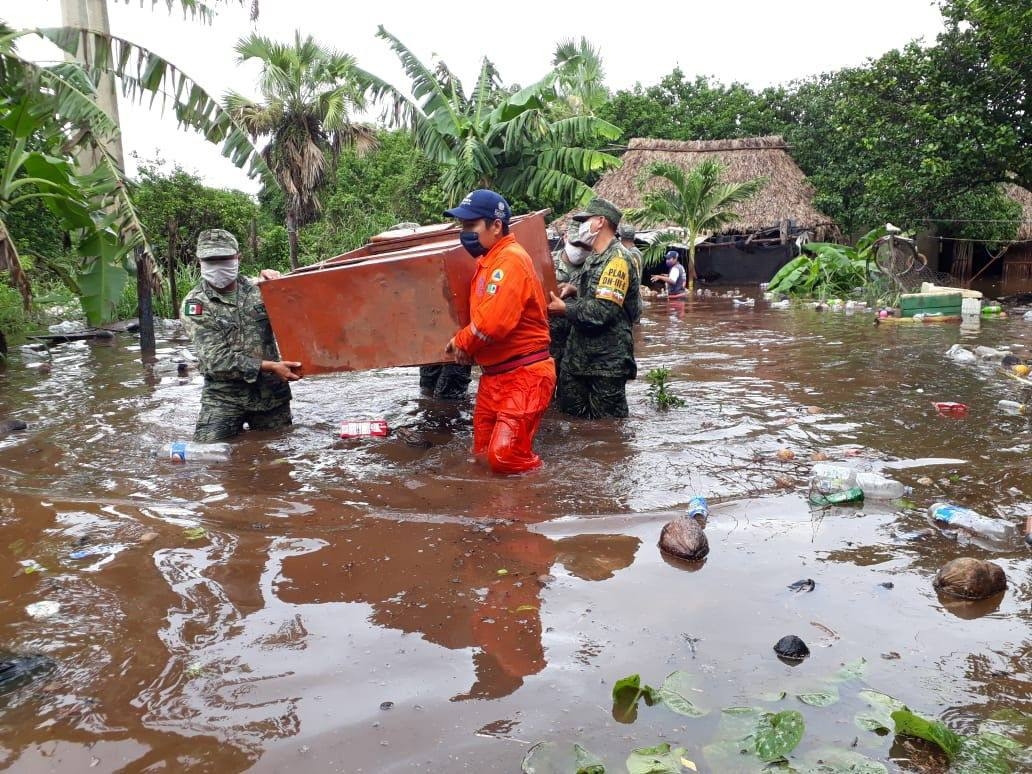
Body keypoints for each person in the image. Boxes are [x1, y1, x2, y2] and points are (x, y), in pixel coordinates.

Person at [443, 189, 556, 474]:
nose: (464, 233)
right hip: (495, 377)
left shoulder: (510, 261)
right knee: (481, 458)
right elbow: (483, 322)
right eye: (462, 226)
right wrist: (470, 351)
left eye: (471, 226)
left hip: (524, 375)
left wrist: (461, 342)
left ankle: (539, 501)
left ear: (496, 225)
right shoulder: (487, 262)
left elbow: (493, 324)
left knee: (503, 457)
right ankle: (495, 516)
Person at [180, 229, 301, 442]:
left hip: (271, 396)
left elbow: (299, 321)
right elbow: (216, 360)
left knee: (278, 460)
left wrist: (281, 286)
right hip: (224, 397)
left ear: (238, 257)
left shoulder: (261, 290)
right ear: (199, 260)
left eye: (224, 258)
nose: (218, 265)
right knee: (210, 459)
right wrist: (271, 366)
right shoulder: (196, 304)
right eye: (211, 260)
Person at [548, 197, 641, 418]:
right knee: (571, 421)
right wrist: (574, 290)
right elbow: (595, 294)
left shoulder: (617, 261)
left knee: (608, 431)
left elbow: (602, 312)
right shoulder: (593, 258)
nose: (581, 227)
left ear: (600, 222)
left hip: (605, 363)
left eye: (585, 220)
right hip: (579, 359)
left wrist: (565, 309)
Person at [549, 221, 591, 372]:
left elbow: (600, 305)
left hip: (578, 348)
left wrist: (576, 292)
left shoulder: (593, 267)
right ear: (565, 237)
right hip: (548, 345)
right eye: (576, 244)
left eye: (585, 246)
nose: (580, 250)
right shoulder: (547, 262)